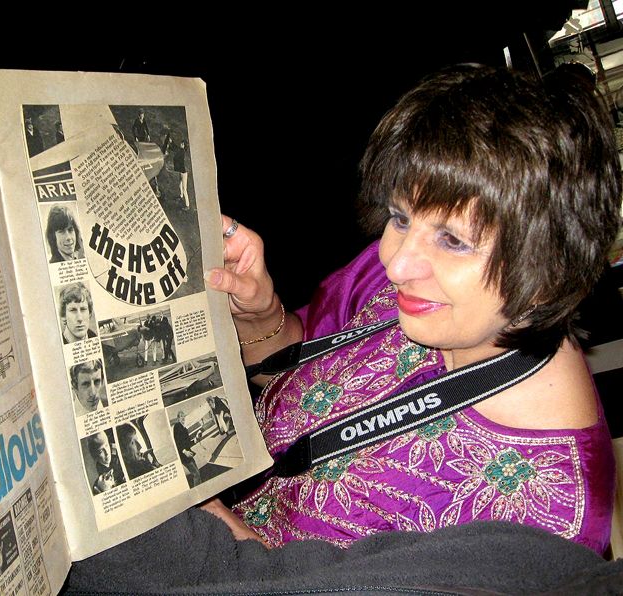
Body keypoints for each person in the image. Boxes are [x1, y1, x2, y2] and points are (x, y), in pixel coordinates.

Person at [203, 65, 621, 555]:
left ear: (549, 267)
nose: (396, 263)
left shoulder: (547, 521)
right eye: (400, 217)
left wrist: (208, 524)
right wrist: (259, 315)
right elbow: (297, 379)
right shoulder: (417, 287)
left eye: (454, 241)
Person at [173, 411, 201, 487]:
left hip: (188, 454)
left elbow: (188, 443)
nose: (183, 417)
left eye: (184, 416)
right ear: (178, 418)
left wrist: (196, 439)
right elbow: (177, 442)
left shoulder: (184, 429)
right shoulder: (177, 426)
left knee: (197, 473)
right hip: (184, 456)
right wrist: (185, 451)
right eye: (181, 416)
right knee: (196, 474)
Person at [173, 139, 190, 210]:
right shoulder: (181, 151)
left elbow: (177, 158)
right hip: (181, 171)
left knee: (184, 189)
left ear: (184, 145)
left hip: (184, 173)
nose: (180, 144)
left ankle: (187, 205)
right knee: (179, 185)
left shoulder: (182, 153)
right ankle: (181, 196)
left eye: (182, 144)